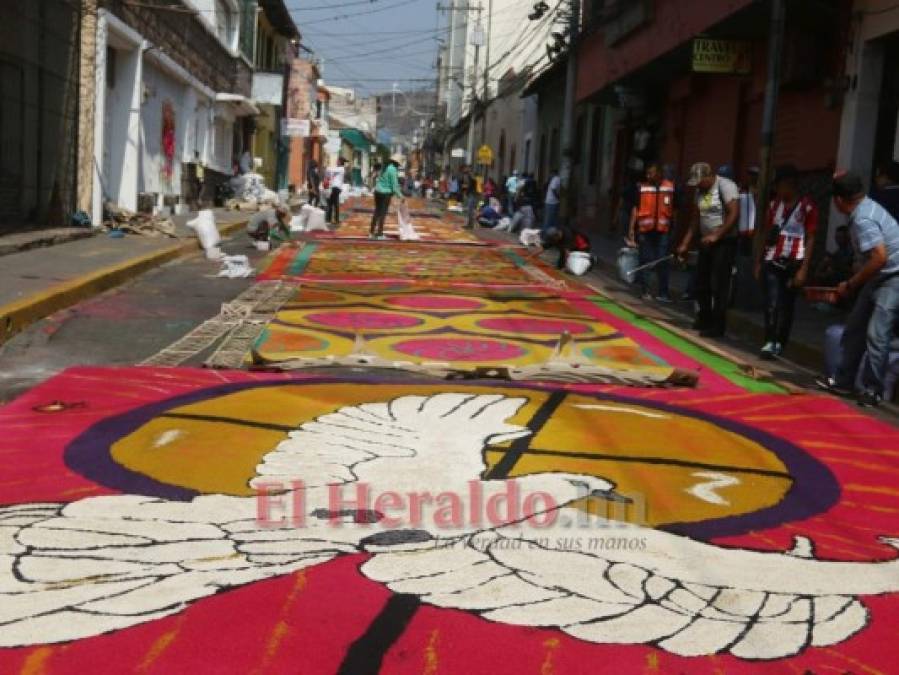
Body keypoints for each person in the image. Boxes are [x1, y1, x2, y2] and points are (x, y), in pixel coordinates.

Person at [818, 171, 899, 407]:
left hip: (893, 276)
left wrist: (852, 284)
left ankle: (873, 390)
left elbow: (880, 258)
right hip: (879, 275)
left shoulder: (863, 219)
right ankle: (843, 381)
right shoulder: (864, 210)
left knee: (877, 332)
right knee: (855, 327)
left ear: (840, 200)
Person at [754, 165, 818, 359]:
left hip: (794, 263)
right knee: (771, 302)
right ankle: (769, 341)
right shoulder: (774, 206)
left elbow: (811, 237)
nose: (777, 190)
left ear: (789, 185)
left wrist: (804, 269)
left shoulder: (808, 207)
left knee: (786, 305)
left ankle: (781, 341)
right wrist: (758, 261)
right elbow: (765, 233)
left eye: (779, 186)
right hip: (772, 259)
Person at [677, 162, 740, 338]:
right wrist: (685, 243)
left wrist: (717, 235)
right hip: (706, 242)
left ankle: (718, 325)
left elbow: (734, 213)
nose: (697, 185)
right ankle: (704, 317)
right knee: (700, 282)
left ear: (708, 176)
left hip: (724, 242)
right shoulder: (699, 192)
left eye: (699, 181)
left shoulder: (726, 186)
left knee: (719, 285)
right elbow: (695, 220)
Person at [626, 162, 674, 302]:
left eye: (650, 173)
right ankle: (646, 291)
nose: (648, 176)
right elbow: (635, 208)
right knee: (645, 260)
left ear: (659, 173)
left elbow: (675, 209)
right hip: (645, 231)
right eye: (647, 173)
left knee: (662, 261)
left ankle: (663, 293)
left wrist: (674, 229)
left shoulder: (670, 188)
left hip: (663, 231)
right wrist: (631, 229)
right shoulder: (642, 188)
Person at [371, 155, 405, 239]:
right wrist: (401, 196)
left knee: (376, 212)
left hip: (377, 191)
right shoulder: (393, 170)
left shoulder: (385, 167)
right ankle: (379, 234)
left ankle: (371, 232)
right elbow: (394, 186)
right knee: (382, 213)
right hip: (385, 194)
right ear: (397, 163)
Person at [325, 158, 346, 226]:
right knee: (334, 203)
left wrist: (327, 167)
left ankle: (330, 219)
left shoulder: (341, 169)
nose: (336, 162)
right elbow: (329, 174)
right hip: (335, 187)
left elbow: (329, 169)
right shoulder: (337, 169)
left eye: (337, 161)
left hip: (336, 187)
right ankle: (334, 219)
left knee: (332, 203)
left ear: (340, 162)